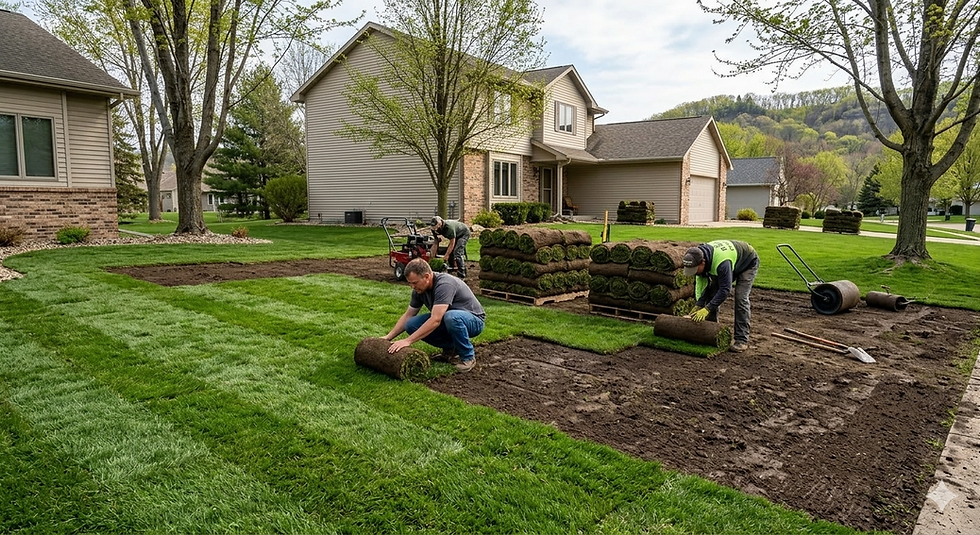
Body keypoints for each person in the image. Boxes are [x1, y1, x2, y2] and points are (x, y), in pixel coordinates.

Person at [384, 257, 485, 372]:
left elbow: (436, 319)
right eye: (410, 283)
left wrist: (408, 341)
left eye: (415, 283)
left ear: (427, 276)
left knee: (451, 317)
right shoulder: (419, 290)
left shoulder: (444, 284)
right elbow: (408, 315)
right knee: (411, 324)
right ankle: (451, 349)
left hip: (474, 320)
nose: (412, 287)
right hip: (449, 319)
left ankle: (468, 357)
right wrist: (388, 337)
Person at [682, 240, 760, 352]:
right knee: (713, 292)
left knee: (741, 298)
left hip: (747, 262)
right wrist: (699, 305)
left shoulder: (721, 264)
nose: (694, 272)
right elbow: (707, 287)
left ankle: (741, 340)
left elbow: (725, 290)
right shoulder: (698, 256)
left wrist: (707, 309)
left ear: (703, 263)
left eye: (695, 269)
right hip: (730, 261)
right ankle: (712, 331)